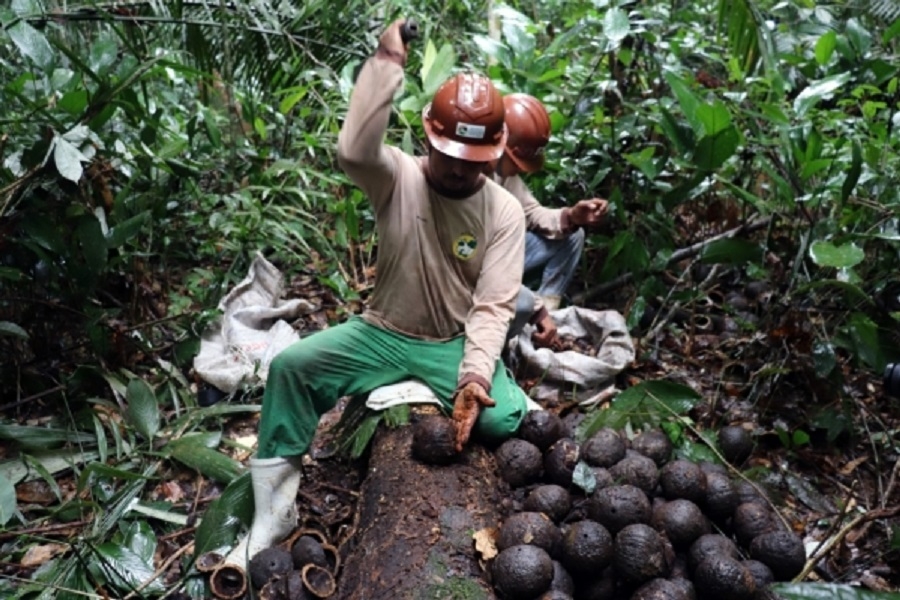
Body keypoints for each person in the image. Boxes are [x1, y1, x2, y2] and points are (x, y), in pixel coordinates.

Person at [218, 19, 530, 573]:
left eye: (472, 161)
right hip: (381, 332)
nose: (457, 169)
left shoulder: (503, 212)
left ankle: (432, 386)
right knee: (291, 367)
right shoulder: (397, 176)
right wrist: (385, 64)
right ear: (429, 135)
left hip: (449, 344)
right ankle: (274, 509)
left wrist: (475, 375)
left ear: (495, 155)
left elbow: (493, 306)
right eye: (449, 154)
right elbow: (356, 148)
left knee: (503, 419)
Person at [490, 93, 609, 319]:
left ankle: (549, 307)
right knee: (524, 305)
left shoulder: (505, 175)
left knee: (573, 236)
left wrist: (571, 216)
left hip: (503, 254)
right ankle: (533, 314)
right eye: (516, 162)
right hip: (477, 266)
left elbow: (531, 212)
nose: (521, 169)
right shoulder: (469, 175)